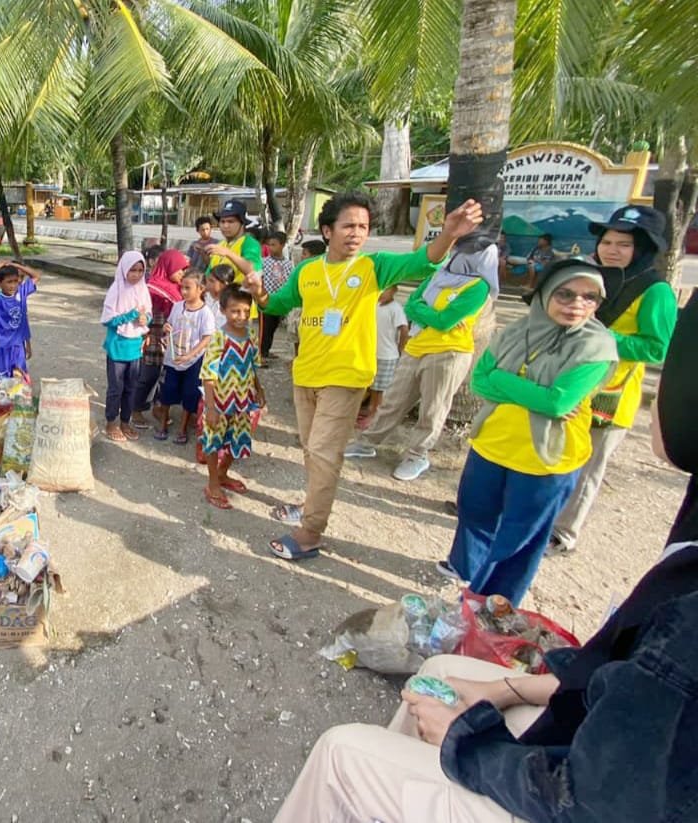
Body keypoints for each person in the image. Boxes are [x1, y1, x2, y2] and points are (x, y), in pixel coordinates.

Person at [273, 295, 698, 823]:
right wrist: (503, 687)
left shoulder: (687, 616)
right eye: (564, 293)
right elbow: (488, 381)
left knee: (341, 750)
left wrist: (468, 741)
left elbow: (600, 797)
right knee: (443, 667)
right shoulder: (685, 556)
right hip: (579, 730)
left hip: (568, 792)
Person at [249, 191, 483, 561]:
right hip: (306, 374)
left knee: (324, 453)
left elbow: (423, 262)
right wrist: (259, 293)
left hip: (345, 377)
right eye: (348, 226)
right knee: (312, 449)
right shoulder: (308, 270)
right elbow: (279, 304)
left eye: (363, 226)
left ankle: (310, 533)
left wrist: (450, 234)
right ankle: (311, 503)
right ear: (327, 231)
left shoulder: (374, 266)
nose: (357, 233)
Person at [439, 260, 617, 602]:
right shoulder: (516, 331)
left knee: (519, 538)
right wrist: (533, 392)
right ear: (545, 293)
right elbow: (479, 382)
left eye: (589, 297)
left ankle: (492, 605)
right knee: (475, 512)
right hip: (492, 443)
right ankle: (465, 569)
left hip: (546, 457)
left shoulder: (596, 346)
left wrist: (503, 381)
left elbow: (556, 403)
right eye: (565, 294)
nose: (576, 304)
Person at [549, 205, 678, 555]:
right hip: (567, 384)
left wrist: (599, 335)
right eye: (607, 241)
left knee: (588, 464)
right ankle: (537, 516)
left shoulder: (655, 291)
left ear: (644, 248)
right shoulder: (593, 278)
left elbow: (656, 349)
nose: (612, 249)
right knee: (552, 451)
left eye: (623, 244)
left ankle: (564, 532)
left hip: (610, 393)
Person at [347, 234, 498, 480]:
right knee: (394, 400)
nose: (460, 256)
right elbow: (412, 305)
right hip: (416, 348)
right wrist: (429, 314)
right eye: (460, 250)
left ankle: (417, 455)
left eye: (469, 252)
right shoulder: (438, 275)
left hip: (449, 353)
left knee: (433, 408)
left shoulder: (479, 288)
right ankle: (367, 443)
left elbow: (444, 320)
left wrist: (425, 312)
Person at [200, 286, 263, 510]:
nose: (242, 317)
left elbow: (253, 365)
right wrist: (210, 407)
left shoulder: (251, 335)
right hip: (219, 400)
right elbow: (208, 374)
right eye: (235, 311)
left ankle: (223, 473)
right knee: (213, 440)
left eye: (246, 311)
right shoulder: (219, 337)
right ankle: (212, 483)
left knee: (238, 438)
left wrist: (260, 390)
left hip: (244, 399)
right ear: (223, 310)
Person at [130, 248, 190, 429]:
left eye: (184, 269)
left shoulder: (180, 289)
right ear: (169, 267)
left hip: (170, 338)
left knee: (167, 375)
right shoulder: (151, 288)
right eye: (179, 269)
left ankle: (158, 407)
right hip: (152, 337)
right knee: (149, 374)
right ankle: (136, 409)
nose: (182, 273)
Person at [154, 271, 215, 444]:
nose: (184, 291)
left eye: (188, 288)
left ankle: (182, 428)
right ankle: (163, 424)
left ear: (201, 289)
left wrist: (190, 354)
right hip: (173, 358)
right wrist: (167, 327)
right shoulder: (177, 306)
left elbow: (207, 338)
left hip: (193, 361)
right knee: (167, 390)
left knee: (190, 394)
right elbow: (171, 325)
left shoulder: (205, 313)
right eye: (182, 287)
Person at [101, 251, 150, 442]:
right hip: (117, 347)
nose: (136, 275)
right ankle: (111, 421)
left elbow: (148, 313)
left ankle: (125, 421)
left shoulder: (142, 289)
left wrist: (146, 318)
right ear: (123, 270)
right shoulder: (116, 289)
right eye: (132, 270)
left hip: (134, 346)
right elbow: (108, 320)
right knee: (116, 388)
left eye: (140, 270)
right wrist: (131, 315)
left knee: (131, 387)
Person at [206, 199, 263, 352]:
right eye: (222, 221)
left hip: (239, 312)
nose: (225, 225)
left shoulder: (249, 243)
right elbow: (208, 277)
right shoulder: (221, 245)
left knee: (236, 355)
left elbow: (252, 269)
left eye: (230, 221)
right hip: (217, 309)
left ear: (242, 222)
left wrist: (228, 254)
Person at [0, 260, 41, 383]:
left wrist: (16, 265)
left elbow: (36, 276)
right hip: (0, 347)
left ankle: (17, 402)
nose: (13, 285)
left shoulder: (22, 292)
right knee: (0, 383)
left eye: (15, 281)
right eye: (9, 282)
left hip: (18, 346)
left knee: (19, 380)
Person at [360, 285, 410, 424]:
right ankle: (371, 409)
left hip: (387, 355)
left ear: (394, 291)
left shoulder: (395, 308)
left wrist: (401, 348)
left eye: (386, 290)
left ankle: (375, 414)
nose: (382, 293)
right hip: (372, 353)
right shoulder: (374, 305)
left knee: (380, 388)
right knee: (373, 385)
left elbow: (404, 329)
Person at [258, 229, 292, 363]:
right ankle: (259, 355)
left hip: (280, 302)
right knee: (264, 329)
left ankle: (266, 350)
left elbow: (289, 281)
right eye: (269, 245)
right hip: (266, 301)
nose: (271, 248)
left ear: (282, 245)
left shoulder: (288, 264)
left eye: (274, 244)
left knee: (272, 327)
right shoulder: (264, 262)